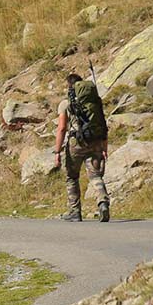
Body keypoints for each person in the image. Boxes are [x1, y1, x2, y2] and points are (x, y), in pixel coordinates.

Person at [55, 73, 110, 222]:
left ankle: (75, 211)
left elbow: (61, 128)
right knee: (95, 175)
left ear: (69, 86)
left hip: (76, 143)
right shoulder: (95, 102)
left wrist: (57, 151)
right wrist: (104, 147)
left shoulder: (65, 104)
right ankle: (103, 201)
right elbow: (103, 124)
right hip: (95, 140)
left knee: (72, 177)